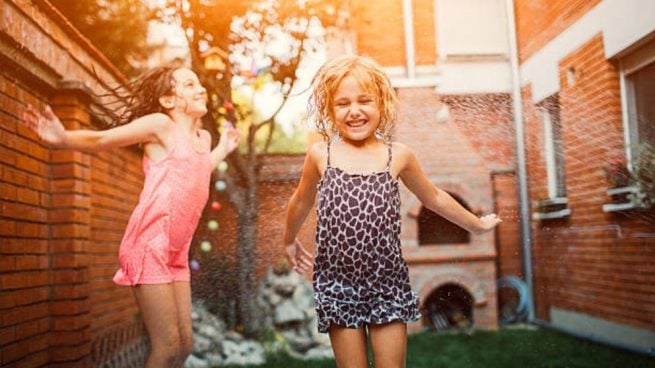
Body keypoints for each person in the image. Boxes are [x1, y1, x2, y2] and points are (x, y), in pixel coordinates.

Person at [283, 55, 501, 368]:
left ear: (382, 104)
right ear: (330, 109)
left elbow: (435, 198)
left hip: (386, 284)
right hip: (337, 284)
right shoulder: (321, 155)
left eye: (364, 101)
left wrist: (476, 225)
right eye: (343, 103)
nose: (354, 111)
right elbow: (300, 200)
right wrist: (289, 239)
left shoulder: (397, 156)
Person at [21, 63, 240, 368]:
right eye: (189, 85)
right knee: (167, 347)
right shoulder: (161, 126)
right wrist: (64, 138)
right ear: (167, 100)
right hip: (149, 246)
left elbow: (197, 168)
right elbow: (102, 140)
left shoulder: (202, 140)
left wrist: (223, 150)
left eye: (198, 84)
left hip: (176, 253)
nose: (201, 89)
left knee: (184, 346)